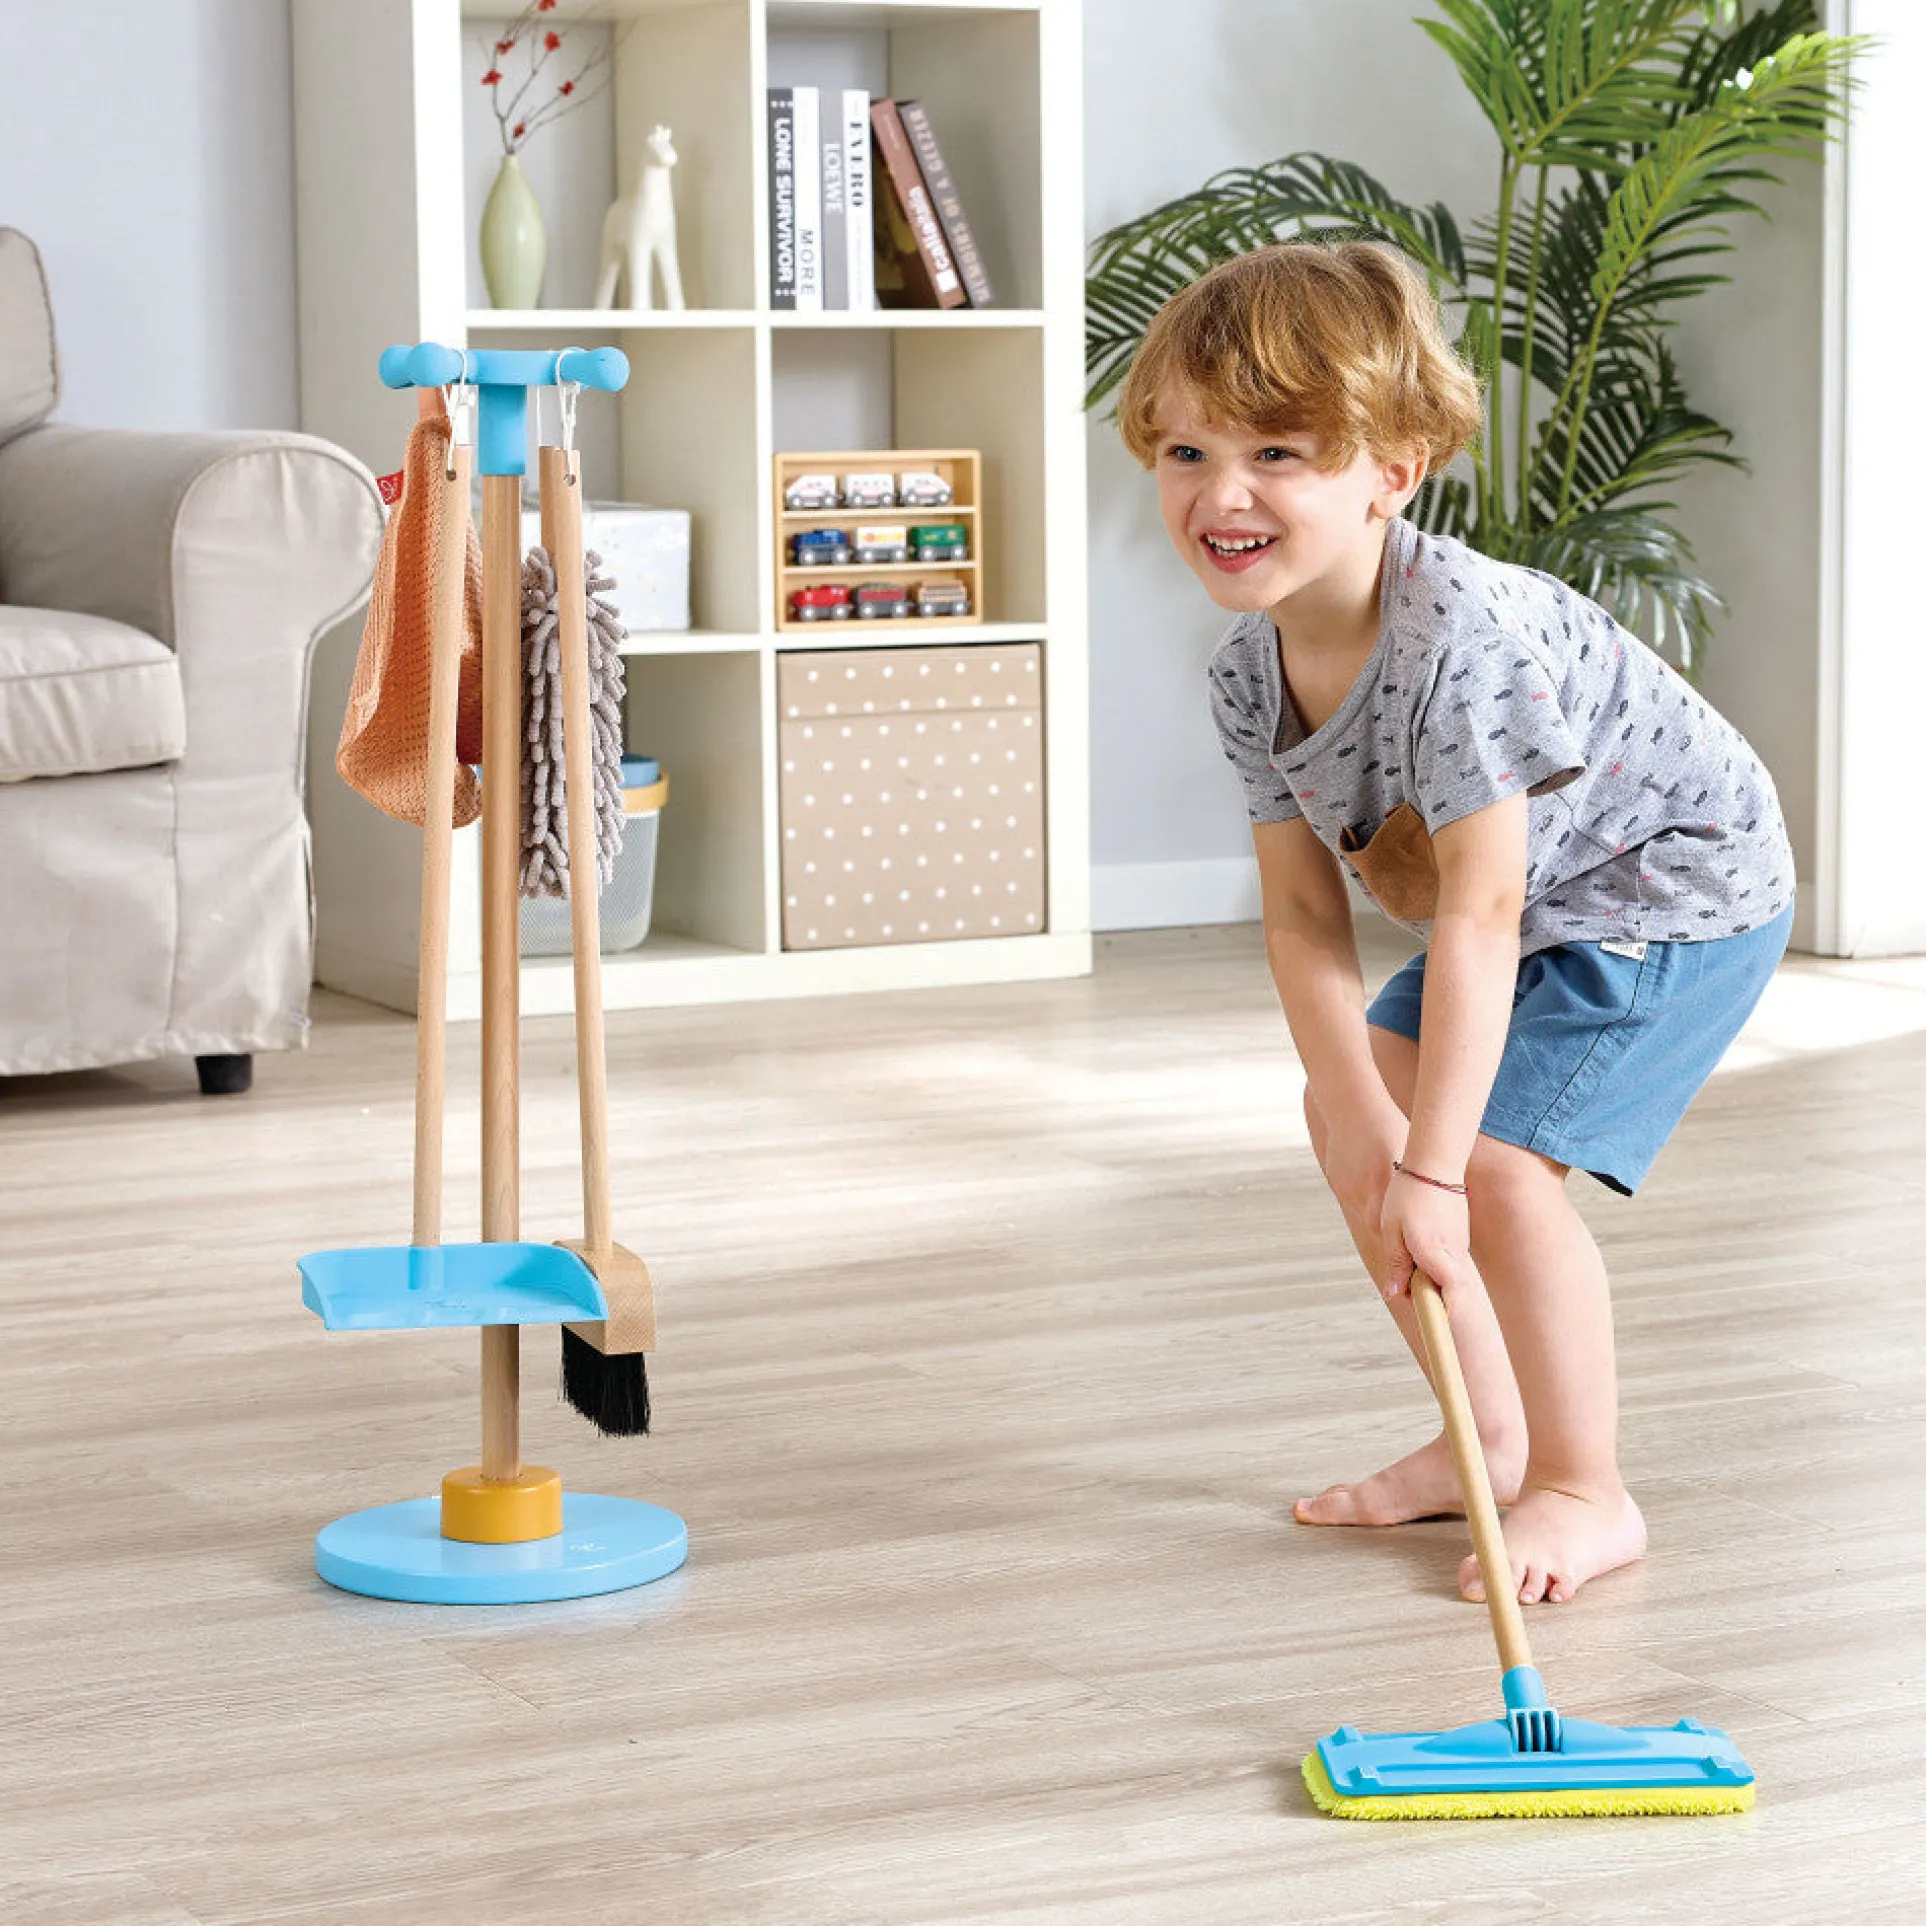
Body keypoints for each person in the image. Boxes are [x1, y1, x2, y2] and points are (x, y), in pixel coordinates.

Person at [1115, 240, 1795, 1606]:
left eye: (1276, 453)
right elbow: (1301, 918)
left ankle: (1585, 1488)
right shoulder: (1250, 671)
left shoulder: (1460, 648)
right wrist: (1371, 1133)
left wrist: (1427, 1172)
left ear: (1392, 470)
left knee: (1484, 1167)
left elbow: (1478, 917)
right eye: (1186, 452)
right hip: (1544, 902)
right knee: (1351, 1116)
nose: (1220, 494)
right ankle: (1487, 1440)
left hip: (1671, 887)